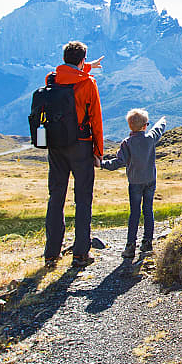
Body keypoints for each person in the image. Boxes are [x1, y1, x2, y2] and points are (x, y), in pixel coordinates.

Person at [44, 41, 104, 269]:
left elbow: (68, 75)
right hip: (80, 145)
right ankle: (80, 253)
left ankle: (51, 254)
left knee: (56, 197)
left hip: (56, 145)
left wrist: (87, 65)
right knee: (83, 199)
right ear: (81, 59)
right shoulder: (87, 84)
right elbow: (96, 120)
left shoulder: (52, 79)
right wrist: (98, 152)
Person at [101, 109, 166, 258]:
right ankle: (147, 242)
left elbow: (118, 162)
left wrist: (101, 164)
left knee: (135, 213)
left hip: (135, 182)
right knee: (148, 210)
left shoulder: (127, 143)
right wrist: (163, 120)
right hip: (150, 181)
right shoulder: (150, 138)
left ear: (130, 126)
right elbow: (158, 129)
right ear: (145, 126)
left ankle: (130, 247)